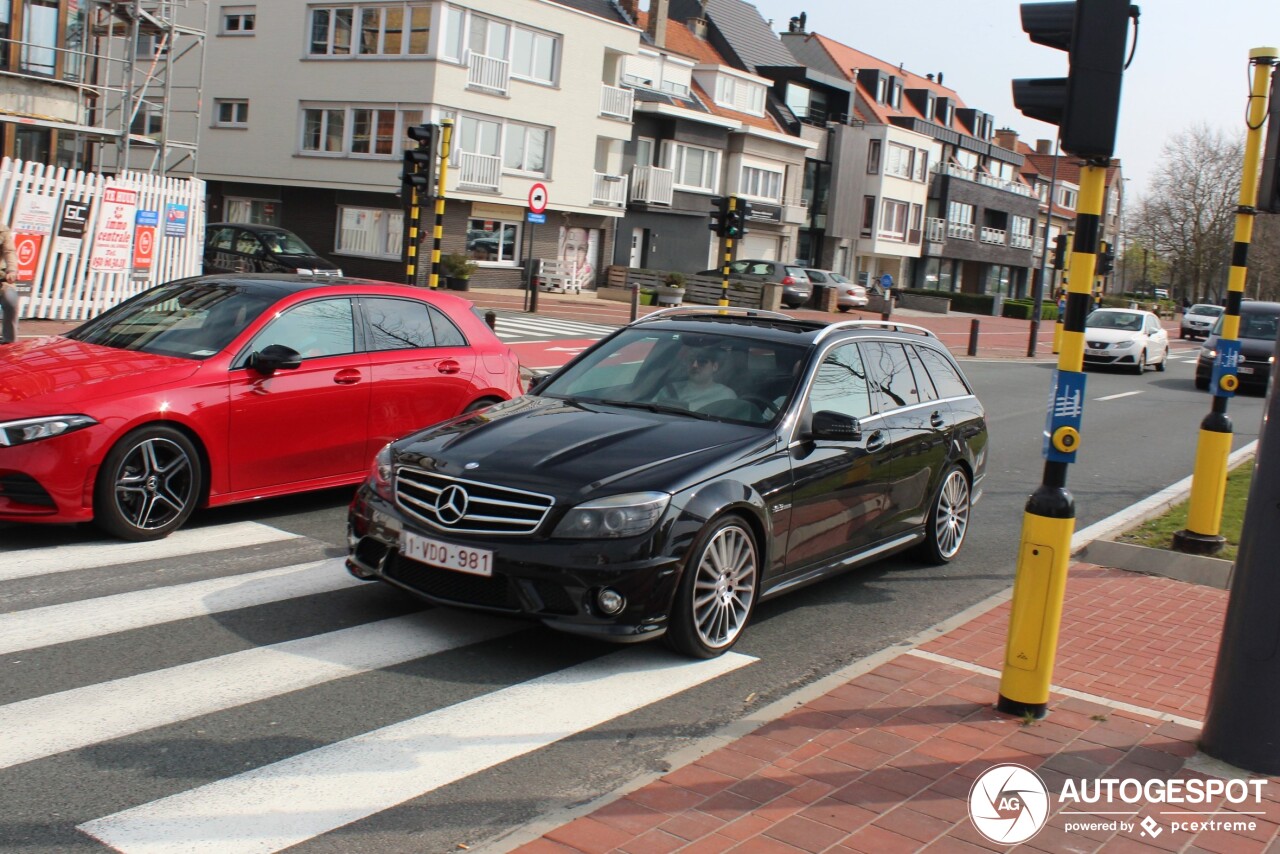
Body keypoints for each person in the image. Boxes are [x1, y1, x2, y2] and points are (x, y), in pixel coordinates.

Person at [661, 347, 736, 411]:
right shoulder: (669, 390)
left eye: (702, 361)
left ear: (715, 367)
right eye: (691, 361)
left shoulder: (726, 396)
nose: (694, 365)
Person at [0, 219, 18, 345]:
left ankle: (9, 341)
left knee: (10, 299)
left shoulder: (3, 231)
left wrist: (12, 270)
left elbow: (9, 252)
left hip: (1, 275)